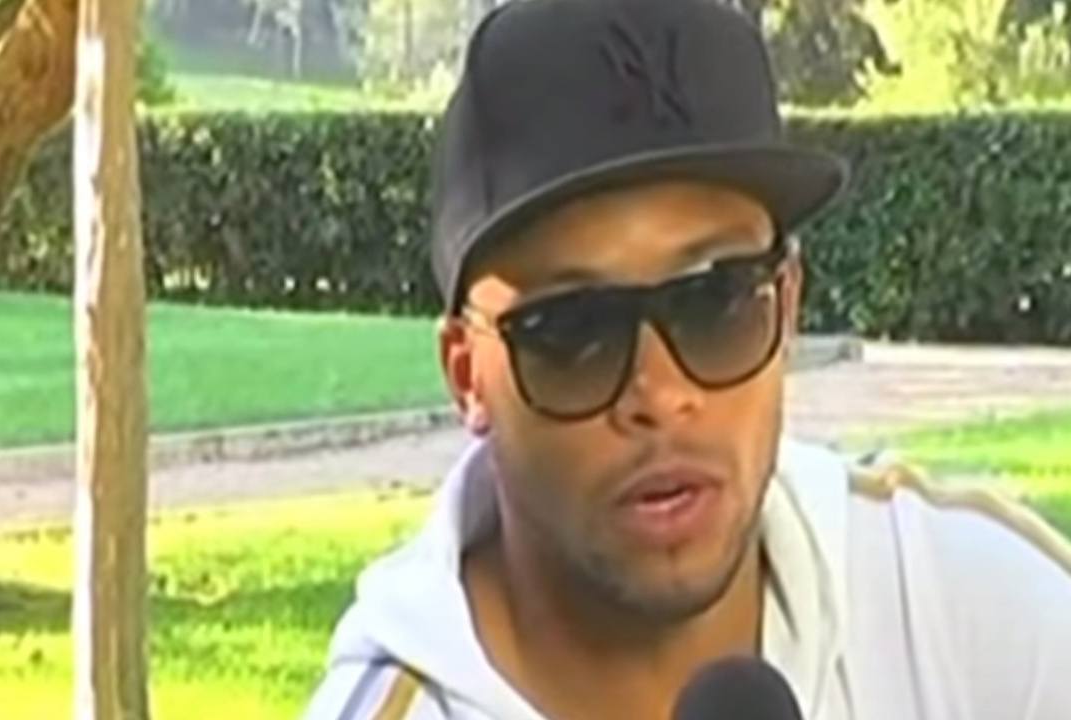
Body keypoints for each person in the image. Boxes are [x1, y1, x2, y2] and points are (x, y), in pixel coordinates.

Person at [301, 0, 1071, 717]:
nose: (660, 392)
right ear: (468, 375)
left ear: (788, 304)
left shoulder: (971, 610)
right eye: (574, 331)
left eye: (717, 302)